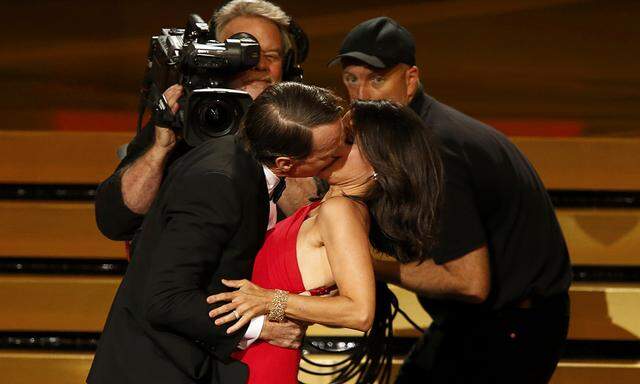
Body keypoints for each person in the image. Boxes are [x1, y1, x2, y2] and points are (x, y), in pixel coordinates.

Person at [329, 17, 573, 384]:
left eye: (377, 79)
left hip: (513, 326)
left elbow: (469, 282)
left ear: (410, 81)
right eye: (352, 78)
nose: (361, 94)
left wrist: (361, 264)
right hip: (473, 321)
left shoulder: (436, 150)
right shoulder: (408, 135)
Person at [87, 82, 348, 384]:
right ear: (286, 164)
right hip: (156, 369)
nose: (340, 157)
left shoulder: (241, 158)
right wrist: (260, 327)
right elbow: (166, 298)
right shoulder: (219, 185)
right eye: (330, 155)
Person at [94, 0, 316, 352]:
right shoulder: (185, 117)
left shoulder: (297, 131)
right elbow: (114, 219)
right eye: (238, 51)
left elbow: (310, 215)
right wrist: (160, 148)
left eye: (269, 56)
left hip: (262, 320)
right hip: (175, 333)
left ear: (287, 67)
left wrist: (262, 128)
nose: (255, 64)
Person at [205, 97, 443, 384]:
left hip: (260, 365)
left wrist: (271, 300)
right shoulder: (329, 208)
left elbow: (359, 311)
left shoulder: (341, 212)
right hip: (245, 357)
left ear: (380, 163)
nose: (335, 145)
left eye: (350, 139)